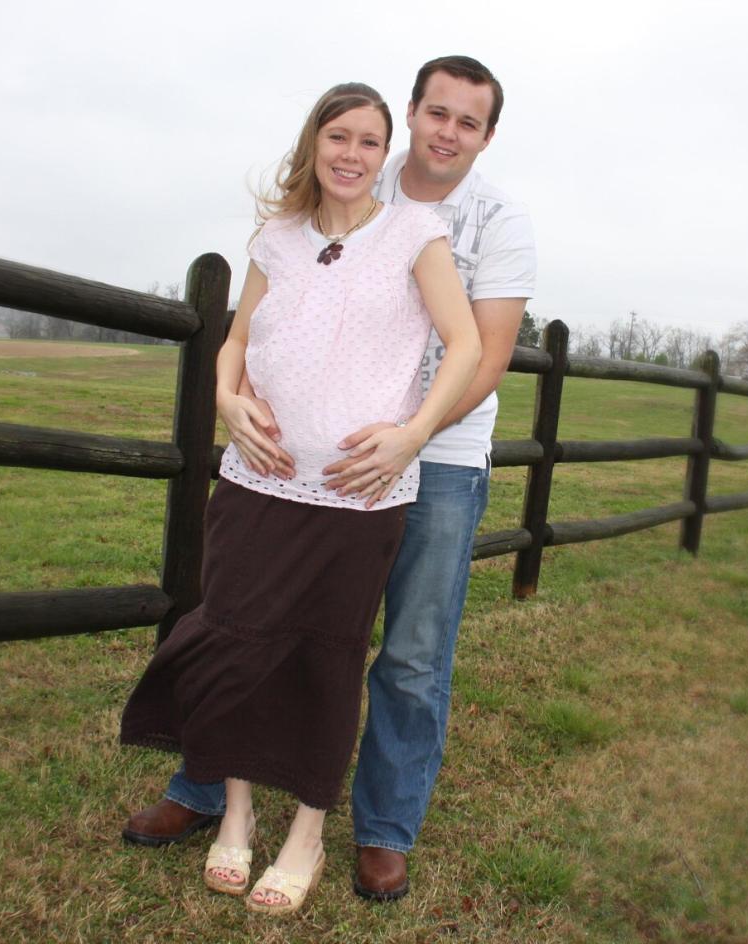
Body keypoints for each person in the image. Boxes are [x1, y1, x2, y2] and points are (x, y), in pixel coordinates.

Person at [122, 54, 536, 903]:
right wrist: (231, 400)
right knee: (241, 620)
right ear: (411, 117)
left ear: (486, 136)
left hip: (430, 464)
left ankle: (380, 831)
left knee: (406, 654)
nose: (447, 132)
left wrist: (408, 438)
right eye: (437, 113)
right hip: (282, 471)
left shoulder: (486, 225)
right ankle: (207, 793)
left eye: (468, 121)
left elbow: (483, 355)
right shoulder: (338, 195)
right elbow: (254, 326)